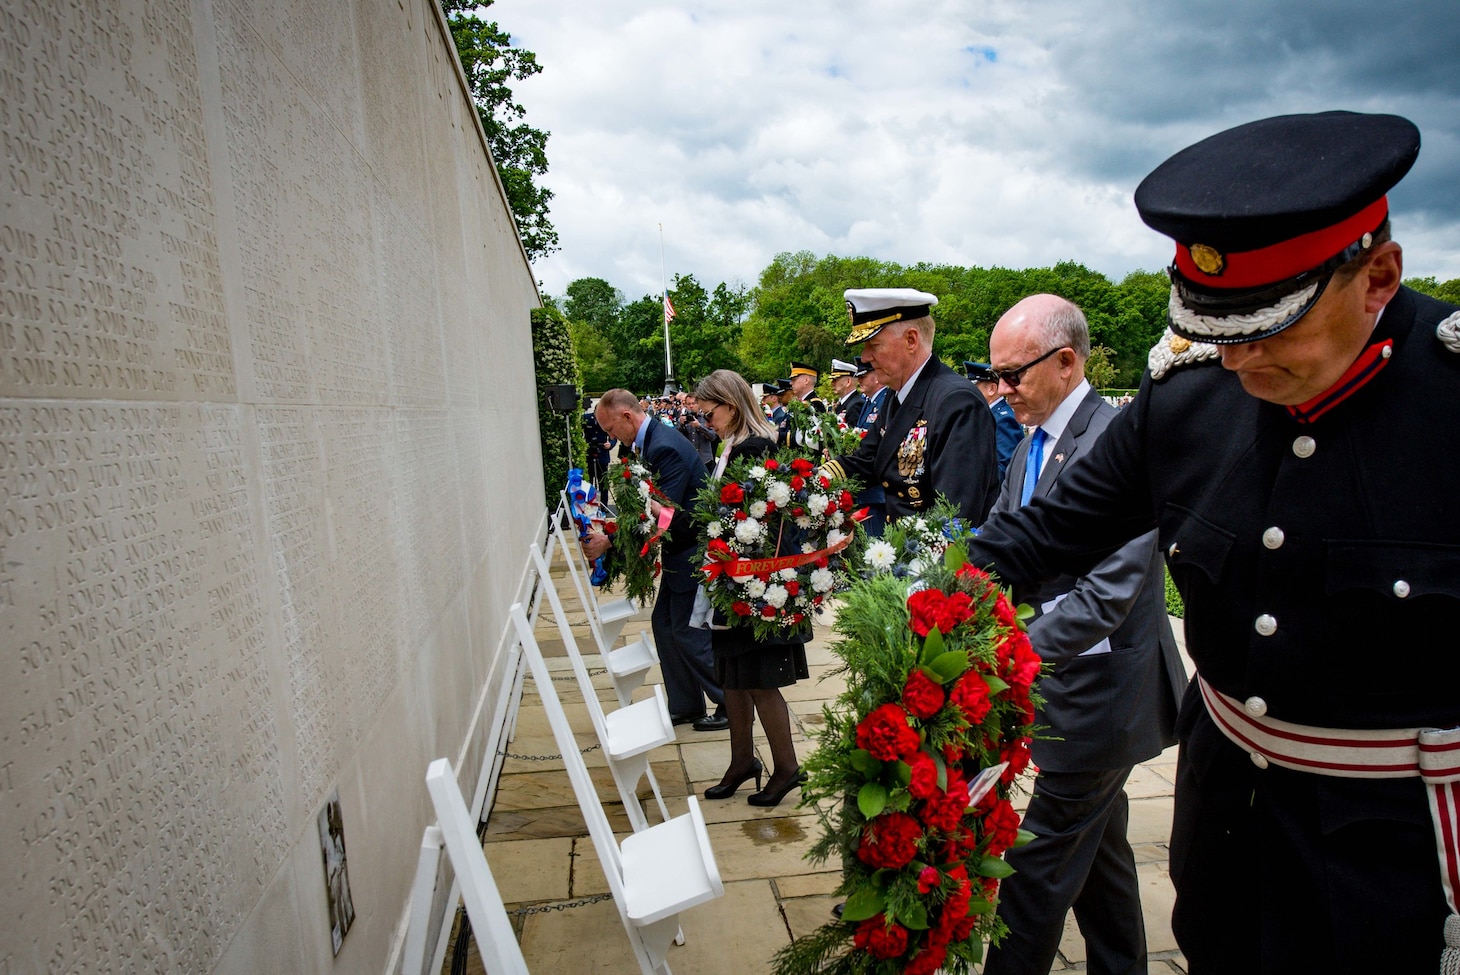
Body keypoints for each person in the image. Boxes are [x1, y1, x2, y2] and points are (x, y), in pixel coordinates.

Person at [964, 111, 1460, 973]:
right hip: (1226, 811)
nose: (1238, 365)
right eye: (1220, 330)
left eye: (1270, 329)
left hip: (1400, 852)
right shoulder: (1190, 394)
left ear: (1378, 274)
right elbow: (1043, 534)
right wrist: (921, 616)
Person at [979, 295, 1186, 975]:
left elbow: (1110, 591)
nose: (1001, 389)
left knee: (1035, 869)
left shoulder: (1118, 439)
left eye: (1013, 375)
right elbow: (1009, 542)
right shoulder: (1030, 442)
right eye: (996, 374)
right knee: (1101, 859)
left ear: (1067, 362)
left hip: (1106, 693)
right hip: (1063, 683)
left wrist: (1011, 651)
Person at [692, 369, 809, 806]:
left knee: (760, 680)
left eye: (711, 410)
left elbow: (759, 519)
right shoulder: (732, 445)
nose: (707, 419)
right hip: (733, 576)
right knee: (733, 677)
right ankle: (742, 760)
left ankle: (787, 768)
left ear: (732, 403)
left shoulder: (756, 446)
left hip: (756, 580)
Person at [581, 389, 729, 731]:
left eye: (610, 429)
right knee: (665, 626)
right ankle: (686, 704)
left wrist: (610, 541)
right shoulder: (649, 443)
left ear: (627, 417)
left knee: (688, 631)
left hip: (694, 548)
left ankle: (729, 702)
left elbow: (662, 515)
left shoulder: (663, 448)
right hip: (681, 548)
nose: (610, 437)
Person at [823, 288, 1000, 522]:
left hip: (935, 554)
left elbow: (954, 514)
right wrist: (807, 481)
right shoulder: (897, 394)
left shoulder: (957, 402)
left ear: (911, 340)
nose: (864, 357)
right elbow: (868, 460)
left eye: (873, 345)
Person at [965, 360, 1025, 479]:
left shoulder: (1003, 419)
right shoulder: (991, 414)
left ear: (992, 389)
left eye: (974, 387)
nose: (969, 392)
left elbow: (1006, 468)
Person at [849, 359, 889, 537]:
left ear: (877, 377)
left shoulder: (885, 400)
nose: (860, 381)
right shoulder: (869, 402)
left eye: (864, 376)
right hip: (865, 486)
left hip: (876, 487)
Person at [583, 403, 615, 492]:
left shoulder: (607, 420)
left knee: (603, 483)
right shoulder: (586, 418)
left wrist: (610, 444)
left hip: (602, 454)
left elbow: (614, 436)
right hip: (589, 453)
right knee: (588, 482)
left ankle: (603, 504)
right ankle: (589, 503)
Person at [828, 358, 866, 425]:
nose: (832, 383)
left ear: (848, 382)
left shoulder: (856, 405)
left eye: (836, 380)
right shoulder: (845, 403)